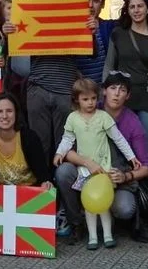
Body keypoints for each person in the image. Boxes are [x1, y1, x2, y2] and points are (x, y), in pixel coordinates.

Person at [52, 78, 140, 249]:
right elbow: (67, 139)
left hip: (103, 168)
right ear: (76, 99)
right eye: (85, 99)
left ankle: (107, 235)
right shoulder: (72, 118)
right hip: (85, 170)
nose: (90, 102)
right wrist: (59, 152)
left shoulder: (103, 117)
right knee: (89, 202)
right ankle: (92, 237)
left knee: (103, 202)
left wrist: (131, 157)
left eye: (93, 98)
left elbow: (118, 138)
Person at [0, 0, 78, 155]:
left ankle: (64, 173)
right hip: (37, 89)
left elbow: (91, 51)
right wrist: (8, 35)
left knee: (65, 143)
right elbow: (11, 54)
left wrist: (90, 31)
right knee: (39, 143)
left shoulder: (73, 14)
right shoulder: (25, 16)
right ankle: (42, 174)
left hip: (65, 88)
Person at [102, 0, 148, 161]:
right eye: (132, 7)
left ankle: (147, 176)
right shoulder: (118, 33)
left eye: (140, 6)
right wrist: (105, 92)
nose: (136, 10)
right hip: (122, 95)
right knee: (123, 145)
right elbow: (109, 64)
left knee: (144, 145)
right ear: (127, 10)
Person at [0, 93, 52, 187]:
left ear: (16, 113)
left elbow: (43, 175)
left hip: (30, 191)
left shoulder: (30, 137)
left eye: (9, 111)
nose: (5, 116)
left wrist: (45, 183)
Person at [76, 0, 117, 85]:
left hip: (103, 89)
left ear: (102, 5)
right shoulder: (70, 29)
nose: (90, 5)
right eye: (87, 1)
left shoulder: (108, 27)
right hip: (79, 90)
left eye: (95, 1)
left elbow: (130, 17)